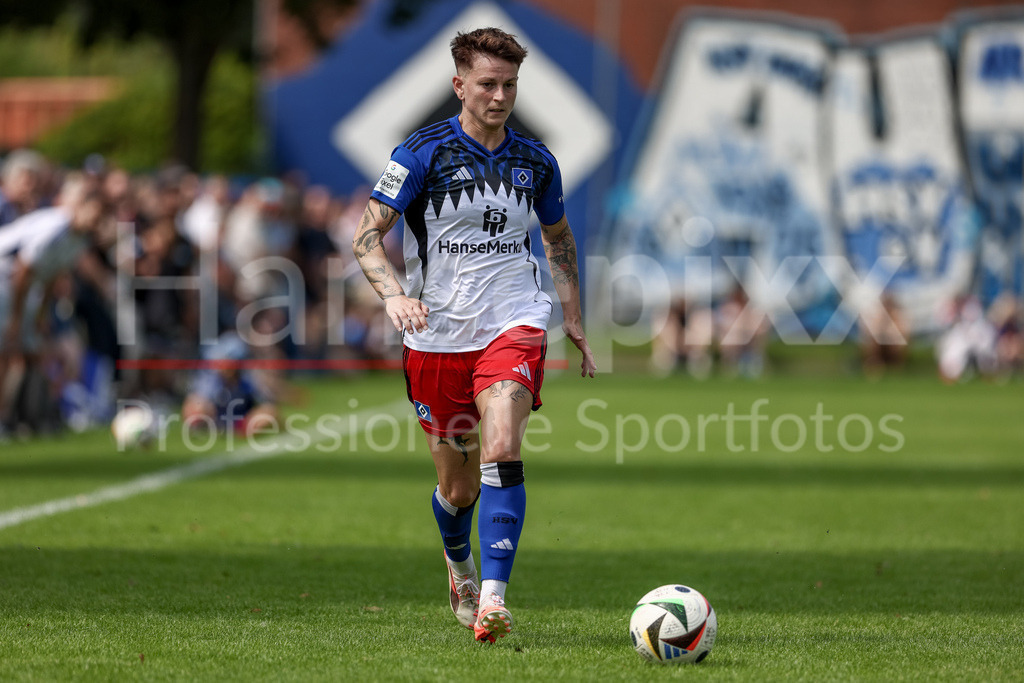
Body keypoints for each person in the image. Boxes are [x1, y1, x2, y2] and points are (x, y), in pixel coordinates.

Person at [352, 27, 596, 644]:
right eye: (487, 84)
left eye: (510, 84)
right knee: (456, 489)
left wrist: (569, 313)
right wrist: (396, 295)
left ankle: (493, 599)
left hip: (514, 324)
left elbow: (558, 237)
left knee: (503, 446)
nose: (500, 95)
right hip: (437, 337)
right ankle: (459, 564)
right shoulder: (420, 153)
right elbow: (365, 239)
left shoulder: (536, 161)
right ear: (459, 84)